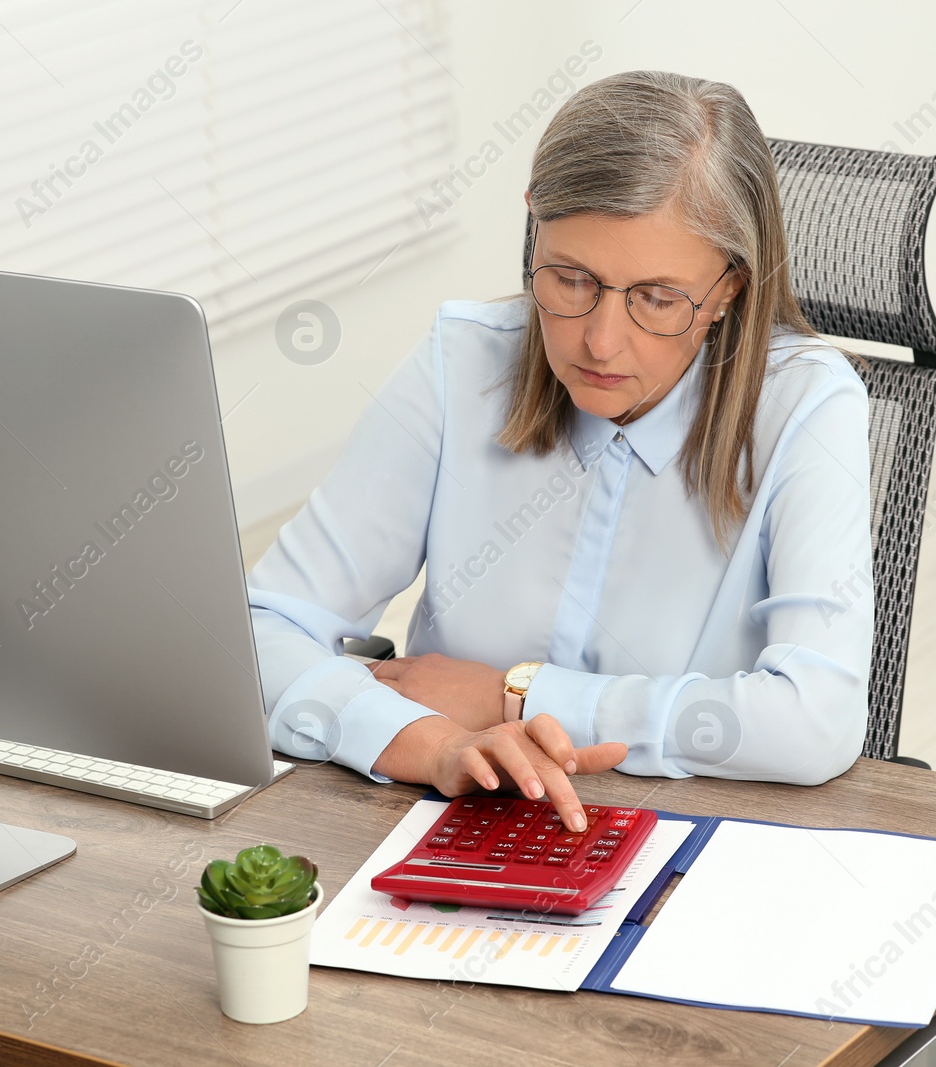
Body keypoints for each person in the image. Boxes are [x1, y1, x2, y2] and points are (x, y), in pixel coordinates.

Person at [246, 70, 873, 832]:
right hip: (454, 825)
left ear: (730, 288)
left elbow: (816, 719)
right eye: (571, 279)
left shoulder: (806, 404)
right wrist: (431, 741)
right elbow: (261, 630)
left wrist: (518, 695)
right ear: (533, 226)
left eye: (657, 298)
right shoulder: (465, 359)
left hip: (694, 840)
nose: (601, 341)